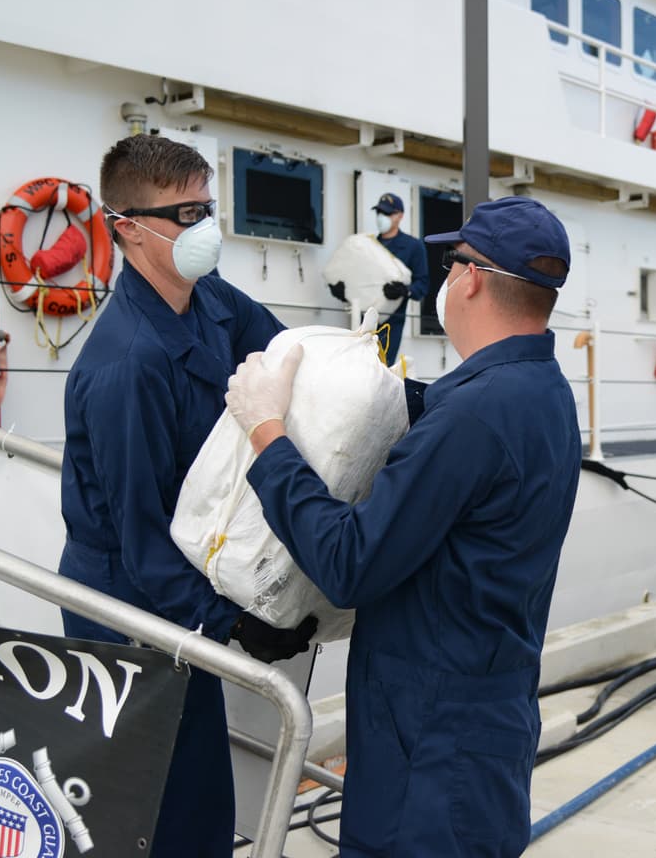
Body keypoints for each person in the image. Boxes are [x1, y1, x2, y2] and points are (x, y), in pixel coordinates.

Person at [225, 196, 582, 857]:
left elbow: (348, 564)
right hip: (481, 731)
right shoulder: (544, 394)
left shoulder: (472, 419)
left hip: (427, 756)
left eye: (452, 265)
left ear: (470, 277)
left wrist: (267, 432)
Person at [59, 134, 316, 858]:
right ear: (128, 229)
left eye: (208, 207)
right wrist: (233, 625)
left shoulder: (208, 301)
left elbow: (290, 351)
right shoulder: (127, 366)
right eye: (186, 214)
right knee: (147, 814)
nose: (205, 228)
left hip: (177, 590)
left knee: (200, 800)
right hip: (125, 608)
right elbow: (138, 538)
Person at [373, 193, 430, 365]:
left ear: (400, 216)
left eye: (387, 213)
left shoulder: (413, 246)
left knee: (382, 367)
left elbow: (423, 285)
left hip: (392, 321)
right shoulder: (369, 246)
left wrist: (404, 290)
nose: (382, 217)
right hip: (364, 316)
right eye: (379, 213)